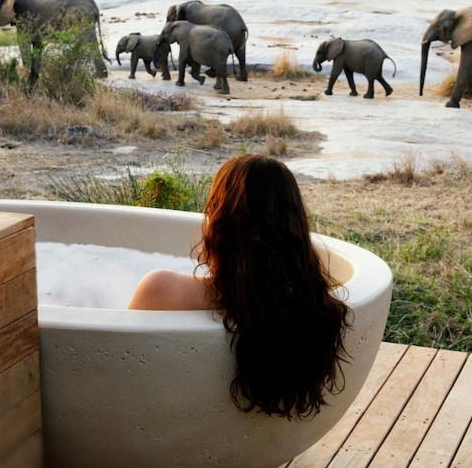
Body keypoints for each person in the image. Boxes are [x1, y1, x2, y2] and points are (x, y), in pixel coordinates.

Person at [129, 153, 351, 419]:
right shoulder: (313, 310)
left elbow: (117, 368)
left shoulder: (161, 289)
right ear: (294, 227)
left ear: (222, 219)